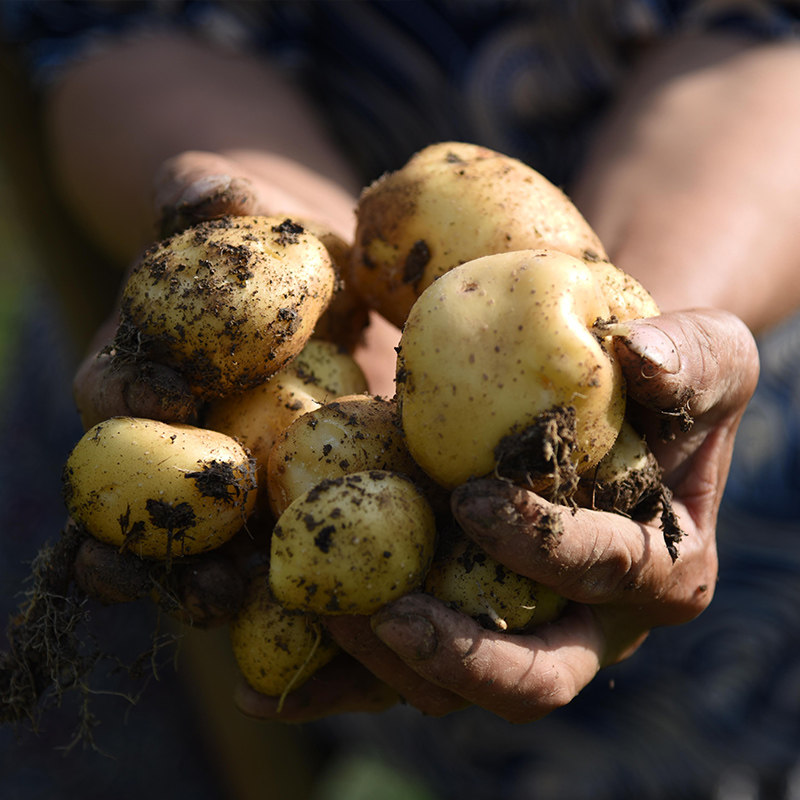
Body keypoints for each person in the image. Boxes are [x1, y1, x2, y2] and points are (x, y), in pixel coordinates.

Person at [1, 1, 799, 798]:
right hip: (213, 407)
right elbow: (119, 25)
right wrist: (287, 237)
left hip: (726, 324)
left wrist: (654, 338)